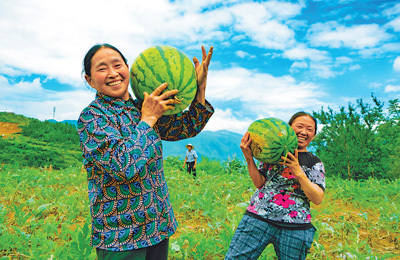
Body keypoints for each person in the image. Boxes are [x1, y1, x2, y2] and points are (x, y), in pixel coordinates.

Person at [77, 43, 214, 260]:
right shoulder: (92, 117)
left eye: (117, 65)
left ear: (128, 68)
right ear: (89, 79)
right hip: (121, 236)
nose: (113, 74)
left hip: (157, 226)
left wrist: (200, 87)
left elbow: (189, 125)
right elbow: (122, 166)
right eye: (102, 69)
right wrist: (148, 118)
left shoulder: (142, 107)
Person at [225, 112, 325, 260]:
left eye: (310, 129)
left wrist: (298, 171)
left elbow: (317, 198)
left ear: (314, 135)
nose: (304, 132)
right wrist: (249, 158)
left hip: (295, 227)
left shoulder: (314, 162)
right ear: (289, 129)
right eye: (300, 126)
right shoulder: (271, 154)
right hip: (259, 218)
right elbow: (259, 183)